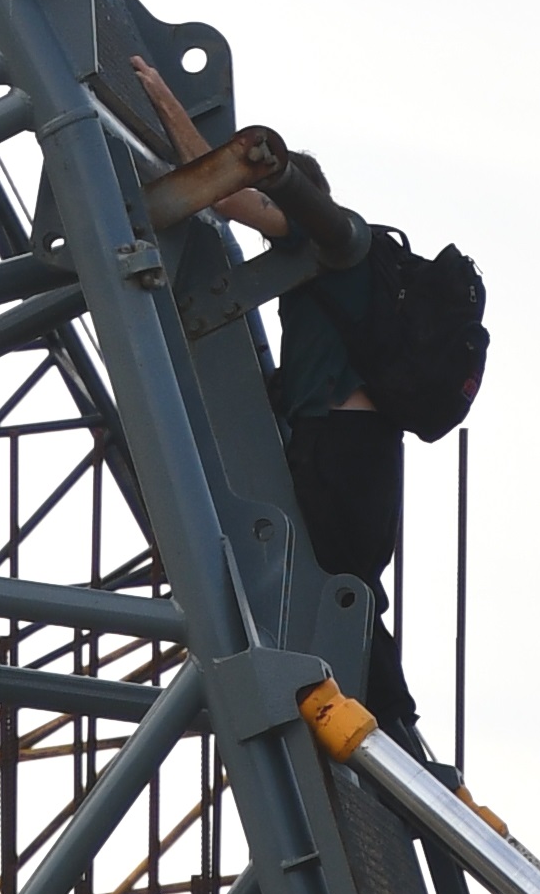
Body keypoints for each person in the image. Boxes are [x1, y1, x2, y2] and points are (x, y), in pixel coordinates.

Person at [133, 61, 487, 738]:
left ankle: (371, 718)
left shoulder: (325, 245)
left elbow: (230, 195)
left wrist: (163, 99)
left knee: (316, 583)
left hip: (340, 450)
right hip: (368, 457)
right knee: (349, 589)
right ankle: (396, 729)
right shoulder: (348, 275)